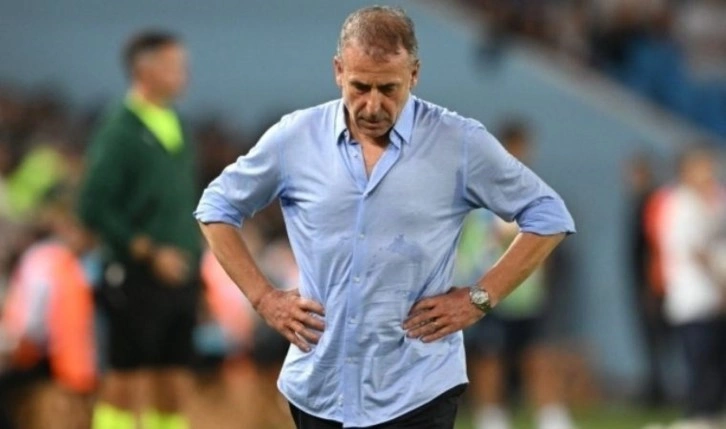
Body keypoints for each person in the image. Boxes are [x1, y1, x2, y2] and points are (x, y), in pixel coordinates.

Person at [195, 6, 575, 429]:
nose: (373, 105)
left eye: (388, 88)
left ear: (414, 74)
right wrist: (263, 299)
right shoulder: (295, 138)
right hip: (321, 388)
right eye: (360, 87)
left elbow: (548, 215)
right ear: (338, 71)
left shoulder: (458, 142)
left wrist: (478, 299)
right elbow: (216, 208)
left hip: (419, 387)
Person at [78, 30, 201, 429]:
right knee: (125, 378)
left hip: (182, 274)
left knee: (174, 379)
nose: (183, 73)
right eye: (173, 65)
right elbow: (92, 205)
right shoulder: (120, 129)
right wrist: (148, 251)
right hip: (135, 274)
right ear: (143, 70)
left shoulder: (177, 122)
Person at [458, 121, 576, 429]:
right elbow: (470, 247)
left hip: (527, 293)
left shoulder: (534, 192)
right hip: (487, 292)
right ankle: (491, 417)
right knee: (490, 358)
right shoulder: (479, 195)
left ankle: (551, 416)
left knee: (537, 354)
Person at [0, 185, 97, 429]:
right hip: (62, 362)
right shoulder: (62, 262)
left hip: (51, 360)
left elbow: (30, 323)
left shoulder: (48, 259)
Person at [657, 147, 726, 429]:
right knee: (701, 361)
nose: (709, 173)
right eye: (702, 167)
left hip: (712, 297)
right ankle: (697, 416)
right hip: (693, 295)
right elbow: (696, 250)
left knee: (716, 361)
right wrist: (721, 284)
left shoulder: (713, 200)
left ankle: (712, 415)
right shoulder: (680, 204)